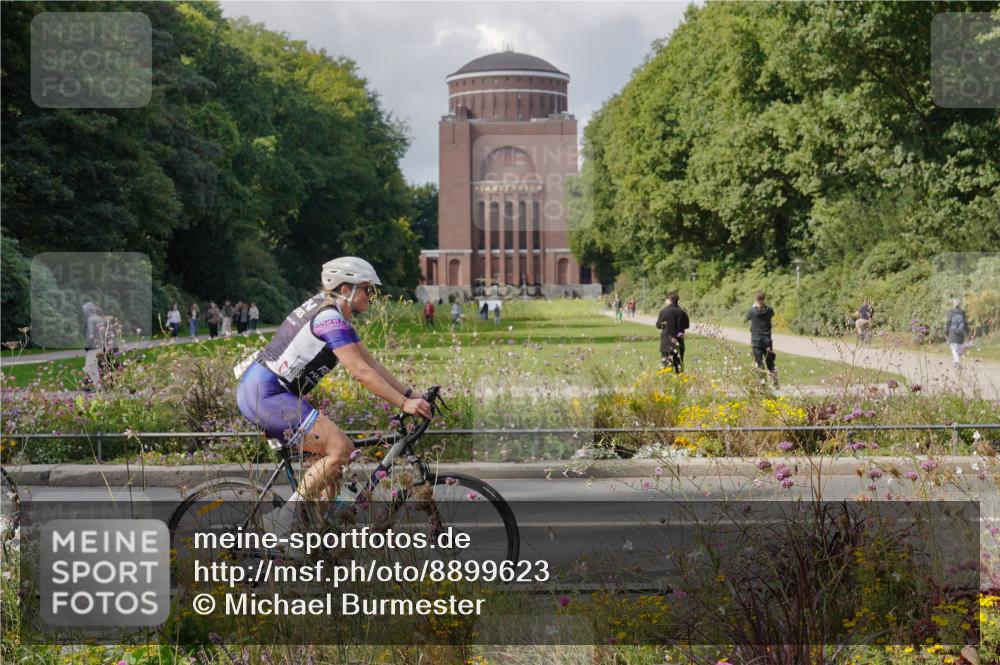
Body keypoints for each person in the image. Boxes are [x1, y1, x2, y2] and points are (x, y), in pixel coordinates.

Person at [236, 257, 433, 532]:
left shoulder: (333, 313)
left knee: (333, 468)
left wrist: (412, 395)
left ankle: (322, 537)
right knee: (341, 450)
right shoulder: (329, 320)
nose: (371, 295)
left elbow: (372, 364)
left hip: (269, 391)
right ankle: (281, 521)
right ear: (345, 289)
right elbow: (361, 373)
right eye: (366, 289)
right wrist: (404, 403)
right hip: (265, 394)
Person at [745, 291, 778, 387]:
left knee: (759, 363)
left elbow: (747, 318)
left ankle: (763, 384)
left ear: (755, 299)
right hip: (767, 341)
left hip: (756, 341)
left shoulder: (752, 311)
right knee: (770, 363)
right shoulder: (769, 310)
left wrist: (754, 305)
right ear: (764, 299)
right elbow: (771, 312)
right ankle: (775, 383)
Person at [655, 292, 690, 373]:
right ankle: (679, 379)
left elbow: (658, 325)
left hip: (666, 342)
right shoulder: (683, 311)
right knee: (678, 366)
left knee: (666, 366)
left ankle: (667, 379)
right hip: (679, 341)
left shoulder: (664, 311)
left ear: (669, 300)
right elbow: (687, 325)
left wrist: (665, 324)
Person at [82, 302, 106, 389]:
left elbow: (91, 334)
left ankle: (97, 387)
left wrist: (87, 345)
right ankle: (100, 385)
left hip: (93, 347)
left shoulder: (91, 320)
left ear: (88, 311)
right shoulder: (100, 318)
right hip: (101, 345)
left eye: (84, 311)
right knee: (99, 366)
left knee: (90, 366)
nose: (84, 313)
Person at [945, 298, 968, 367]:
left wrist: (945, 332)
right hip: (961, 334)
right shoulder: (963, 312)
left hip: (953, 333)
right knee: (959, 348)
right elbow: (965, 323)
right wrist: (967, 332)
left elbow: (948, 323)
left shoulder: (951, 312)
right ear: (960, 304)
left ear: (953, 304)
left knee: (954, 348)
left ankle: (957, 363)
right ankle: (957, 362)